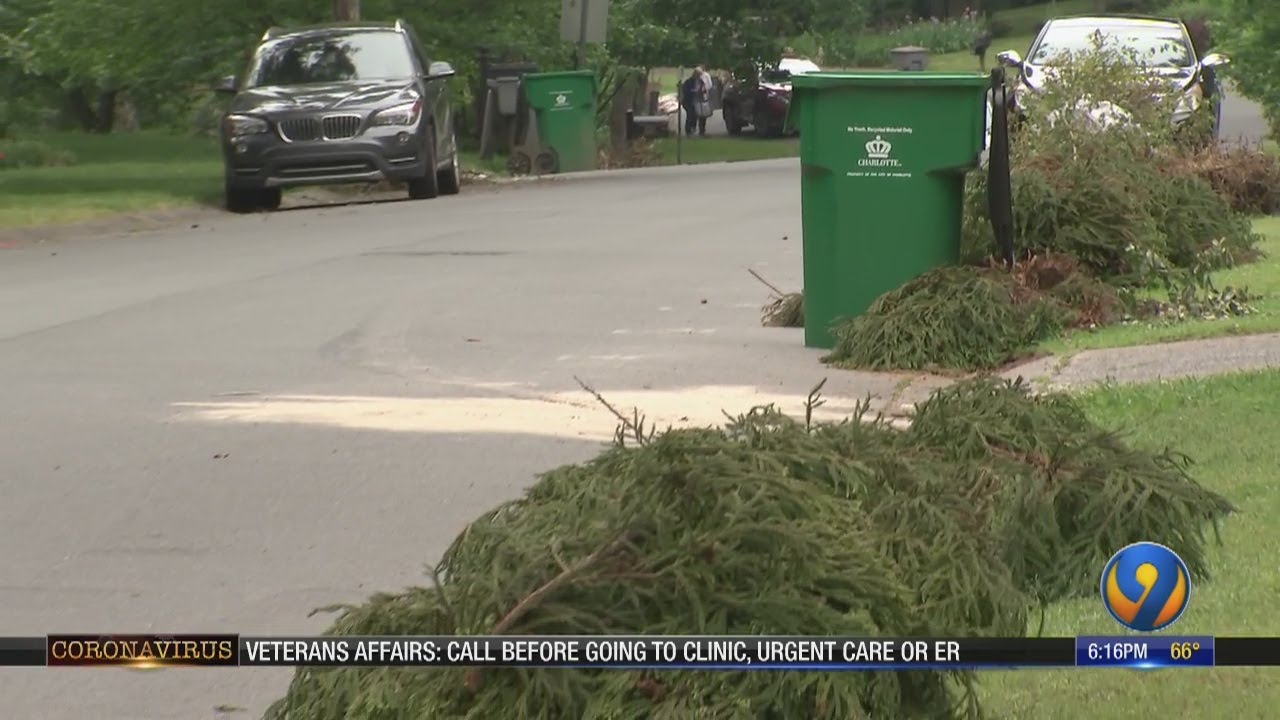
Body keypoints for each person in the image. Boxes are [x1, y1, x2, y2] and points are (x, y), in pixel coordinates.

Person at [681, 67, 710, 137]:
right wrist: (693, 91)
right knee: (691, 114)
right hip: (689, 101)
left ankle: (701, 130)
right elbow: (685, 91)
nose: (699, 76)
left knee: (702, 116)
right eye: (698, 74)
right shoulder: (689, 81)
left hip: (698, 101)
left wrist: (703, 91)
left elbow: (704, 89)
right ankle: (689, 130)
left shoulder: (701, 81)